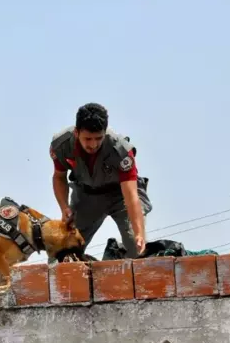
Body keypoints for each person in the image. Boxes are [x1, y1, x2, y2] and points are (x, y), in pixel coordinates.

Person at [49, 103, 152, 258]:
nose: (93, 144)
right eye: (88, 139)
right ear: (77, 133)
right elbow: (59, 177)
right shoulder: (62, 145)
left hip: (120, 195)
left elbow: (131, 197)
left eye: (99, 138)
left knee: (136, 247)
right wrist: (64, 208)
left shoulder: (121, 150)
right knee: (65, 251)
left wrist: (138, 233)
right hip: (86, 197)